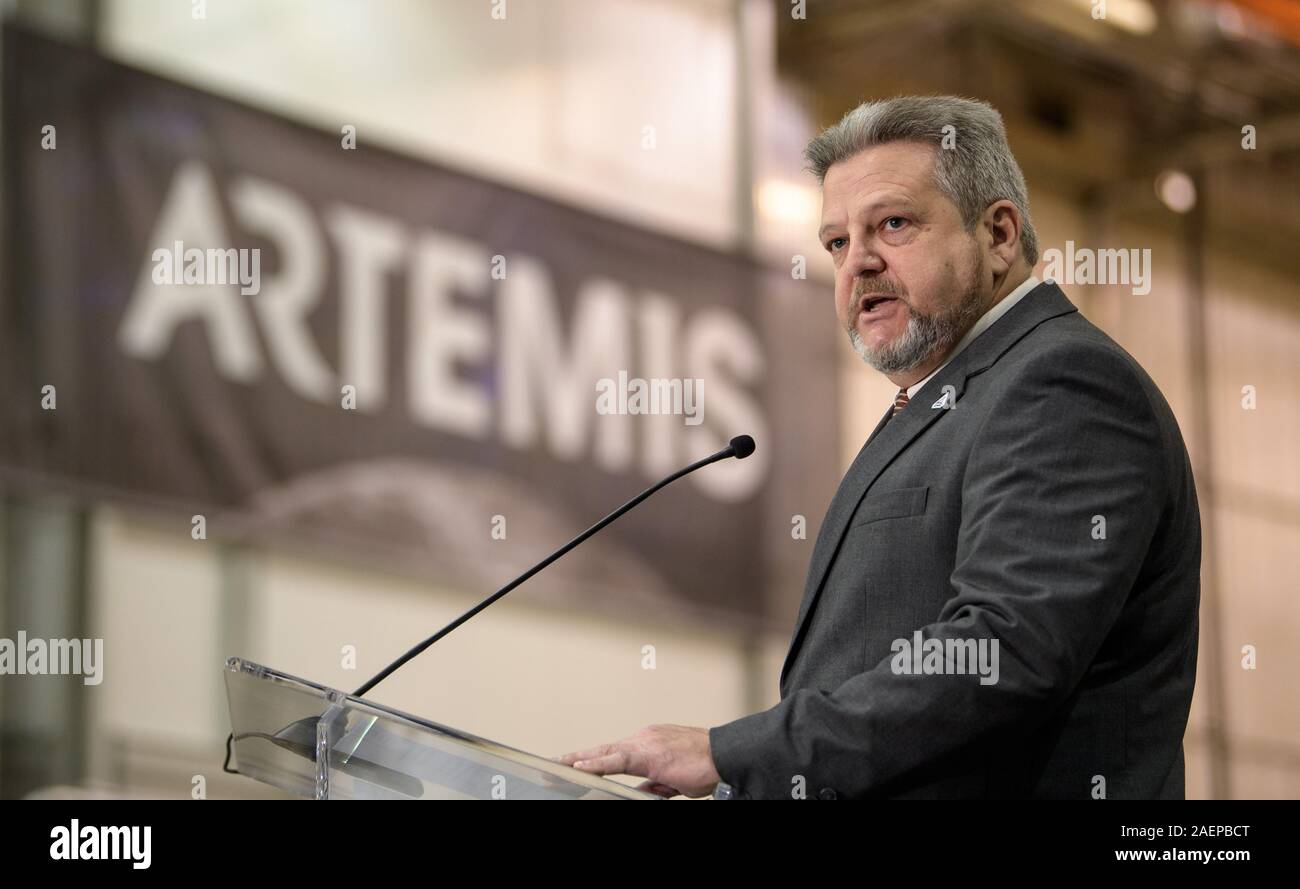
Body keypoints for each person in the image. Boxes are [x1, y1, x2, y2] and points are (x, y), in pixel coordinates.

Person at [557, 95, 1200, 799]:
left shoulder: (1064, 383)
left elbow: (1000, 654)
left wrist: (736, 753)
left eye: (893, 224)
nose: (858, 262)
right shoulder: (949, 397)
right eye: (837, 242)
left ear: (999, 235)